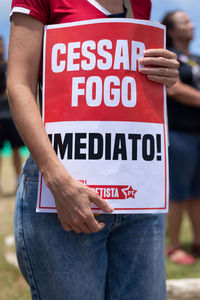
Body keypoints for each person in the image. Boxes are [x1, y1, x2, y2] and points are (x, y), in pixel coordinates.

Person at [7, 1, 179, 299]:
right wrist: (57, 180)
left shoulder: (140, 3)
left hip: (139, 190)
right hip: (62, 189)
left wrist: (165, 73)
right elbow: (19, 84)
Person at [162, 10, 200, 265]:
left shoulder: (195, 58)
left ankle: (197, 242)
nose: (192, 24)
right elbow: (173, 88)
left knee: (197, 193)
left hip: (197, 133)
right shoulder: (168, 57)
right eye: (185, 22)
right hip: (178, 134)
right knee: (177, 193)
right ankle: (174, 246)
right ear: (172, 30)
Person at [0, 36, 23, 195]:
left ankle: (17, 181)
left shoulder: (10, 67)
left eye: (2, 44)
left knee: (16, 150)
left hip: (13, 114)